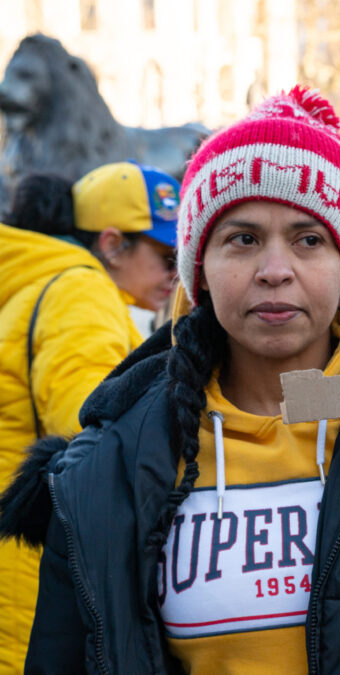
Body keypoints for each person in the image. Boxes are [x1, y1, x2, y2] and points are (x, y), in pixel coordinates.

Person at [0, 87, 340, 673]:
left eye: (309, 239)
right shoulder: (104, 473)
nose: (275, 271)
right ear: (199, 267)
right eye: (243, 239)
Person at [0, 162, 179, 672]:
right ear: (111, 244)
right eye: (166, 256)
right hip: (29, 578)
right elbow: (92, 429)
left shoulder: (32, 282)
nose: (176, 274)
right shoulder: (81, 289)